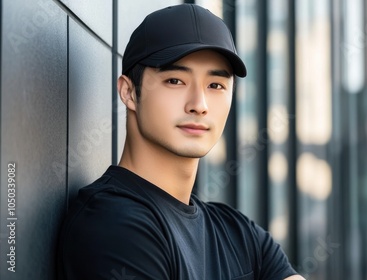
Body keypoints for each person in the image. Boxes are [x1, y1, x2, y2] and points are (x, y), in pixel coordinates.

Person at [57, 4, 304, 280]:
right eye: (175, 80)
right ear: (128, 92)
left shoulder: (241, 236)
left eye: (215, 86)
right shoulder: (113, 226)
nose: (199, 105)